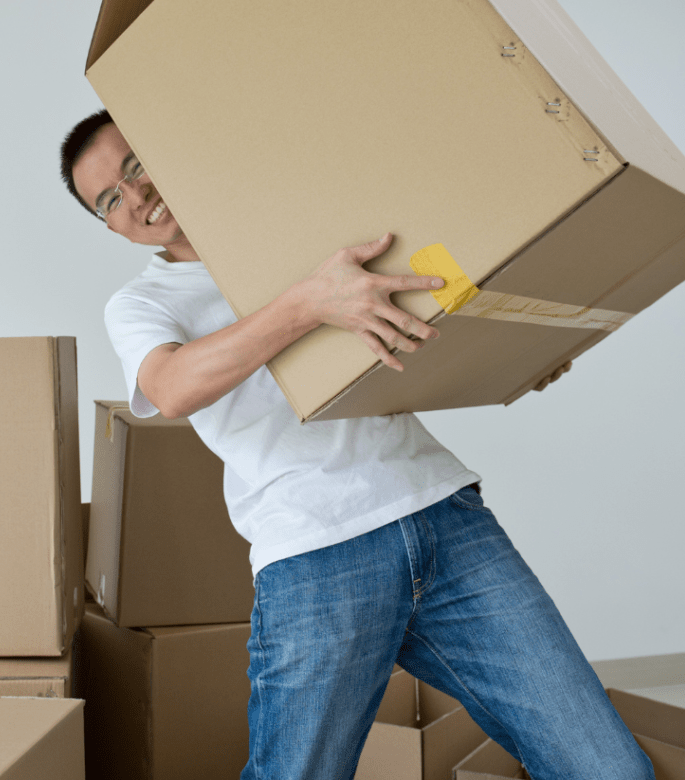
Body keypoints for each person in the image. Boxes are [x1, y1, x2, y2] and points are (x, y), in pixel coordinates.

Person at [61, 109, 654, 780]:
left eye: (135, 165)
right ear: (109, 225)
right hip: (318, 553)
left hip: (444, 516)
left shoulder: (300, 226)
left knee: (610, 770)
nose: (135, 196)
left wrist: (515, 350)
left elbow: (420, 308)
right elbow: (171, 388)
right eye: (110, 198)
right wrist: (309, 302)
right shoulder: (143, 303)